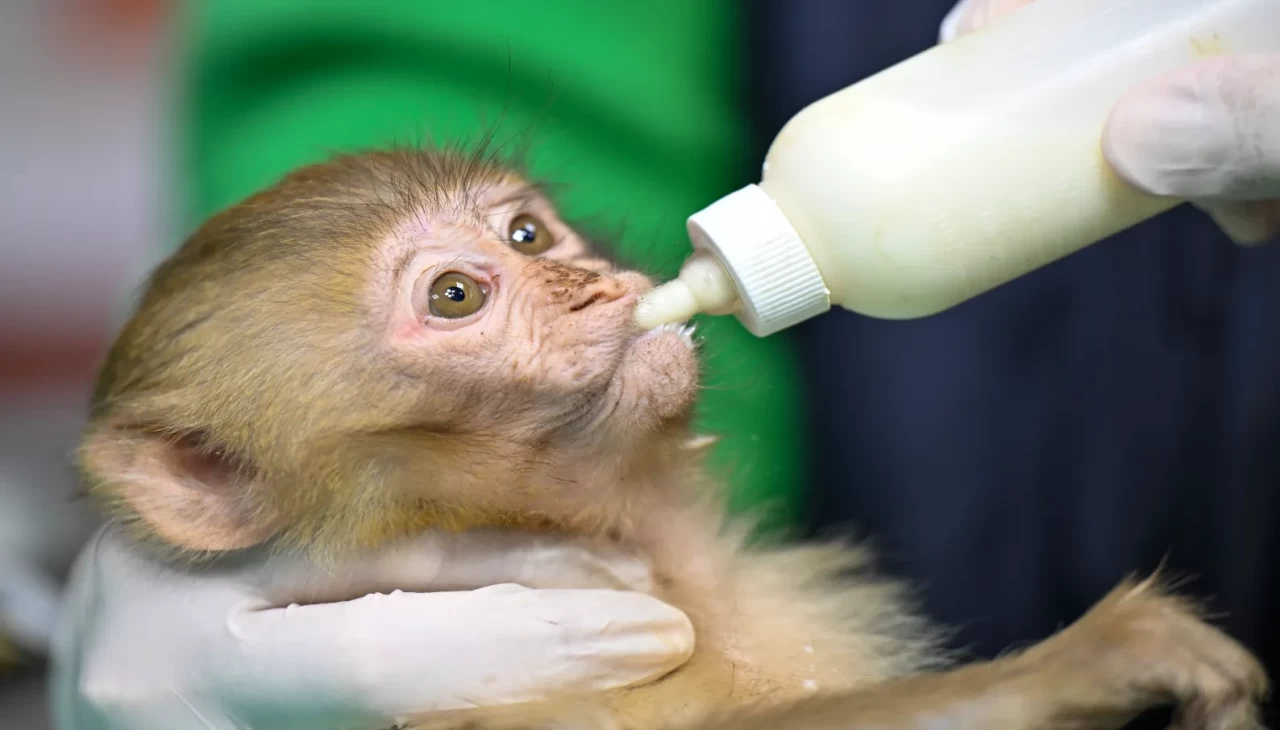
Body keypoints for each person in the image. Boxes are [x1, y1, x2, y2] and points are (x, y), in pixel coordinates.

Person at [50, 0, 1280, 728]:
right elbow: (430, 47)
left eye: (531, 232)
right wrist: (1026, 691)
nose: (599, 278)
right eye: (458, 297)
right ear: (207, 475)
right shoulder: (453, 669)